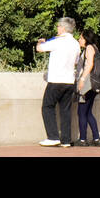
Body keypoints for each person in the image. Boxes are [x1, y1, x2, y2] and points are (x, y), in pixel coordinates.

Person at [35, 17, 81, 147]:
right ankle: (66, 140)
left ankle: (53, 136)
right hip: (69, 81)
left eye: (58, 27)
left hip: (56, 80)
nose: (57, 29)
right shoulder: (75, 44)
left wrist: (40, 42)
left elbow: (40, 49)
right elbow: (76, 61)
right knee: (65, 110)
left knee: (47, 107)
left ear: (63, 28)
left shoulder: (57, 41)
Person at [72, 29, 100, 147]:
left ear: (86, 39)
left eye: (81, 38)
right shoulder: (94, 47)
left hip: (87, 84)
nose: (79, 40)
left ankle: (82, 140)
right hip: (93, 84)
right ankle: (96, 139)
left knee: (81, 112)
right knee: (87, 112)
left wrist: (82, 80)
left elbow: (90, 64)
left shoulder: (89, 48)